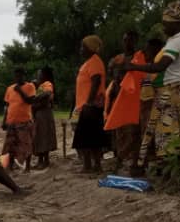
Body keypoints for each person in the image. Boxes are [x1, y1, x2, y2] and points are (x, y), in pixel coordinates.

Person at [123, 1, 180, 170]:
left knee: (167, 134)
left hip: (169, 93)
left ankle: (168, 173)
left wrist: (134, 67)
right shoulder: (179, 41)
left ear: (175, 23)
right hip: (168, 92)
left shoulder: (177, 43)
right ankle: (162, 171)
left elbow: (159, 66)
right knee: (163, 133)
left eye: (166, 24)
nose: (163, 28)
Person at [104, 31, 147, 173]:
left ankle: (134, 161)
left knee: (133, 131)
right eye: (124, 40)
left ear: (135, 41)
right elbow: (112, 77)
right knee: (119, 130)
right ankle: (120, 159)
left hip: (133, 98)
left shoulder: (139, 57)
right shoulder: (118, 59)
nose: (126, 43)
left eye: (129, 40)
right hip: (118, 98)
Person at [71, 35, 107, 173]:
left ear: (91, 48)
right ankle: (89, 165)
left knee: (91, 137)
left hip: (91, 106)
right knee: (86, 137)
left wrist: (88, 103)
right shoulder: (88, 62)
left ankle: (94, 165)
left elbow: (96, 82)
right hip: (85, 106)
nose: (81, 50)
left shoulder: (95, 62)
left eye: (83, 47)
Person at [1, 67, 36, 172]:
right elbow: (7, 106)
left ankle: (28, 167)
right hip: (11, 121)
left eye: (20, 75)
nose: (18, 77)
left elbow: (30, 101)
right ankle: (10, 166)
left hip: (24, 121)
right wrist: (4, 121)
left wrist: (20, 91)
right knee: (10, 145)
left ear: (24, 75)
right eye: (16, 75)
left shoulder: (30, 86)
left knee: (26, 144)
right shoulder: (9, 88)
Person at [137, 38, 165, 166]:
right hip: (146, 106)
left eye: (148, 49)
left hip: (152, 106)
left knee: (154, 135)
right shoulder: (148, 68)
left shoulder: (157, 69)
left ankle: (153, 162)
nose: (144, 52)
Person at [31, 67, 57, 169]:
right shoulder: (40, 86)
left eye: (39, 74)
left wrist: (35, 98)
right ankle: (40, 160)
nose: (37, 76)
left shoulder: (47, 84)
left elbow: (48, 94)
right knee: (39, 137)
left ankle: (45, 161)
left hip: (44, 114)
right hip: (39, 114)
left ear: (44, 76)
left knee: (44, 136)